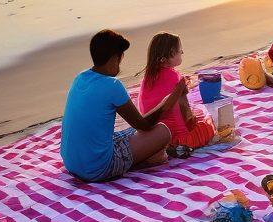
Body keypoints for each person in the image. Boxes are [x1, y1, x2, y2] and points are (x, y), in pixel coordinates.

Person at [60, 28, 188, 182]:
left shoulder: (80, 77)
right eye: (120, 58)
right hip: (98, 168)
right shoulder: (112, 85)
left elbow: (136, 127)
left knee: (131, 131)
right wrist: (165, 103)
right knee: (163, 131)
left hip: (72, 163)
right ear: (114, 58)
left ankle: (147, 155)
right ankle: (144, 160)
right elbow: (144, 126)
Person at [137, 32, 216, 153]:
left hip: (154, 138)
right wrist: (195, 123)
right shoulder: (174, 77)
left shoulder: (147, 78)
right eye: (180, 51)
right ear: (172, 54)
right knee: (208, 125)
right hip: (178, 140)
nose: (182, 53)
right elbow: (186, 113)